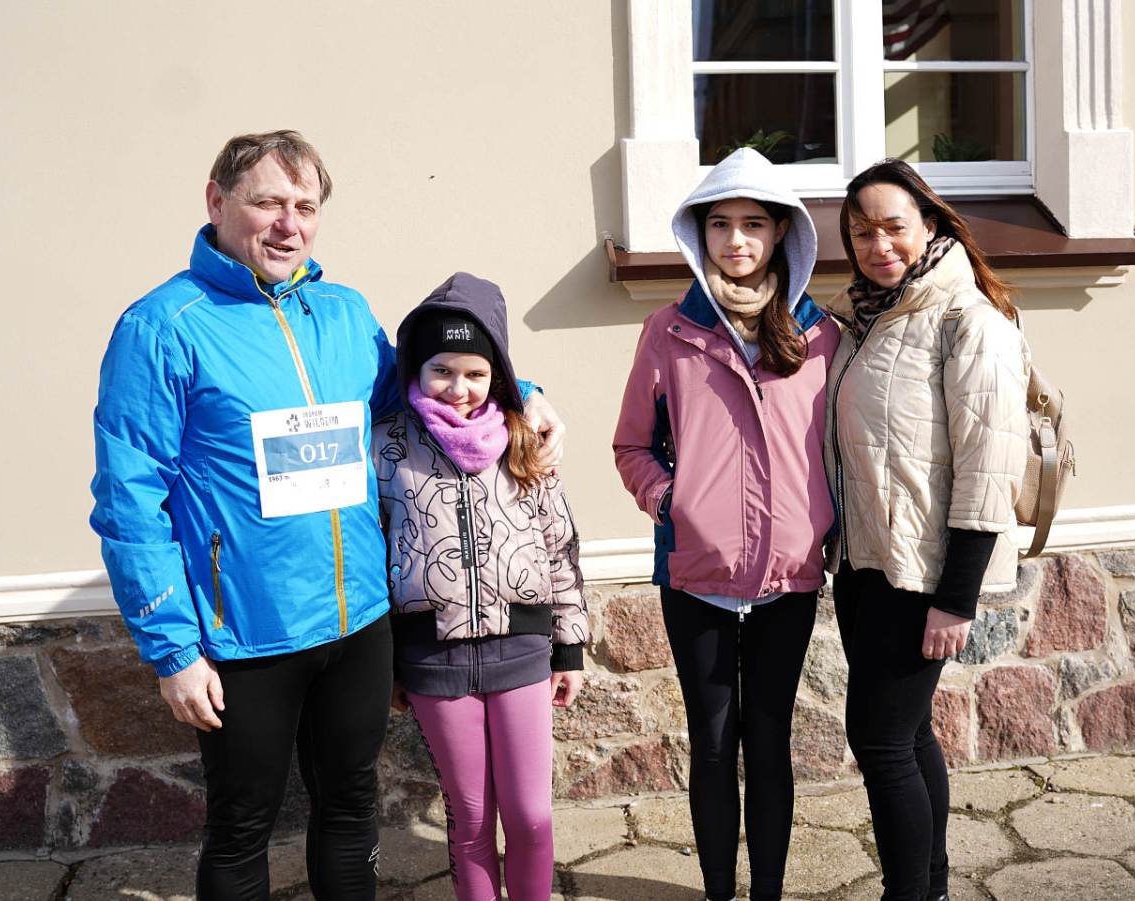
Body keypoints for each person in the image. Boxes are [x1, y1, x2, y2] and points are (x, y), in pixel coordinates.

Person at [89, 130, 565, 901]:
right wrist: (172, 649)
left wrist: (527, 392)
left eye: (305, 207)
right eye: (268, 202)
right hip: (247, 634)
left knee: (350, 808)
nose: (290, 224)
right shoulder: (162, 327)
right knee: (242, 825)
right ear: (216, 201)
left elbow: (427, 388)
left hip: (356, 625)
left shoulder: (343, 314)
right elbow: (129, 503)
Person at [612, 147, 838, 901]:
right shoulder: (667, 331)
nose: (736, 240)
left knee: (769, 743)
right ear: (698, 233)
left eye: (753, 225)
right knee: (712, 744)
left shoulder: (820, 337)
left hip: (788, 577)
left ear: (781, 233)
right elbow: (632, 445)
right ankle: (718, 892)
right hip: (696, 577)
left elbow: (840, 448)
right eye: (719, 224)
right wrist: (670, 501)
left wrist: (824, 523)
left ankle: (767, 891)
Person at [824, 160, 1028, 901]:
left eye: (894, 227)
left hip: (922, 575)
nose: (877, 244)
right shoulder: (867, 318)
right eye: (861, 232)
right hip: (866, 565)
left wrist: (956, 597)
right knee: (906, 737)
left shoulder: (967, 320)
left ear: (931, 225)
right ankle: (931, 889)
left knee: (880, 742)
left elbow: (989, 467)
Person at [373, 273, 588, 901]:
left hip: (522, 651)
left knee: (531, 816)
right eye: (442, 371)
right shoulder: (385, 446)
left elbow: (559, 546)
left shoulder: (524, 436)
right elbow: (370, 554)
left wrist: (569, 648)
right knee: (469, 821)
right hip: (432, 658)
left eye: (475, 373)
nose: (459, 388)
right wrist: (388, 662)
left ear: (497, 374)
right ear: (416, 369)